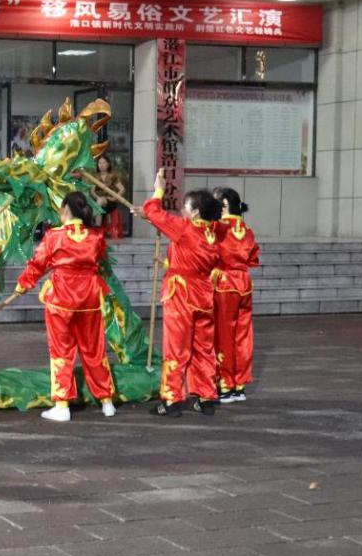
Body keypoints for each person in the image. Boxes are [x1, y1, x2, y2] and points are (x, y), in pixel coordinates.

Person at [14, 192, 117, 423]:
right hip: (89, 297)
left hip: (61, 298)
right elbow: (101, 260)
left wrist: (23, 284)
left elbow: (38, 263)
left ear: (67, 210)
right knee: (94, 350)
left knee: (62, 350)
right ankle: (106, 401)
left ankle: (62, 403)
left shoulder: (54, 236)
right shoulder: (96, 236)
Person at [134, 171, 223, 417]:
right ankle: (206, 398)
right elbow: (161, 220)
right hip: (203, 295)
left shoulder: (185, 229)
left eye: (186, 207)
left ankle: (172, 400)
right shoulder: (212, 233)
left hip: (181, 294)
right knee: (204, 348)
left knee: (176, 348)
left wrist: (159, 190)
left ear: (195, 213)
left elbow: (154, 211)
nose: (182, 210)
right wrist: (153, 218)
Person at [213, 187, 260, 403]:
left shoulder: (219, 228)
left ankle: (225, 384)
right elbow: (252, 259)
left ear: (224, 206)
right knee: (243, 335)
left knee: (224, 335)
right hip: (244, 284)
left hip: (225, 284)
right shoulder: (248, 229)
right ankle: (240, 385)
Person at [94, 155, 127, 239]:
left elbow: (122, 189)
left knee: (99, 202)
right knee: (98, 202)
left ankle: (97, 228)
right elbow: (92, 191)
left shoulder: (112, 176)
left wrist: (114, 198)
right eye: (99, 163)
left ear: (108, 164)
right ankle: (97, 227)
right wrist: (97, 197)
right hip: (97, 201)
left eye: (103, 162)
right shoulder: (95, 176)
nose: (101, 165)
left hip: (110, 202)